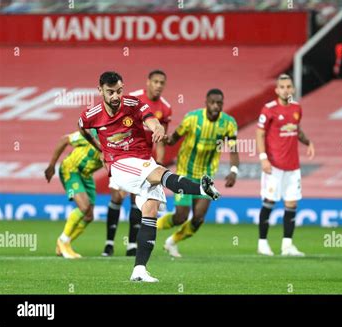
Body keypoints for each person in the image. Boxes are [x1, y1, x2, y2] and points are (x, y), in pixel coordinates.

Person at [78, 71, 220, 282]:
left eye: (119, 91)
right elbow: (82, 128)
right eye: (110, 92)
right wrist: (100, 149)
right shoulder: (91, 114)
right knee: (160, 174)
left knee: (150, 211)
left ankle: (139, 270)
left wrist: (157, 128)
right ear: (100, 91)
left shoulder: (133, 103)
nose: (116, 96)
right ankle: (201, 188)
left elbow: (152, 120)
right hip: (120, 164)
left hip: (143, 159)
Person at [157, 89, 239, 257]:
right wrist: (167, 139)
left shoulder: (229, 123)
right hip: (185, 172)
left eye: (219, 103)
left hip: (206, 176)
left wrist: (233, 171)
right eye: (213, 102)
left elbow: (233, 150)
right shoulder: (192, 118)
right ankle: (151, 226)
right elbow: (174, 139)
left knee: (199, 218)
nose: (216, 106)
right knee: (180, 216)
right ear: (206, 102)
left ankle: (172, 242)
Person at [103, 69, 172, 257]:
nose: (158, 85)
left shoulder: (165, 108)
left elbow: (162, 138)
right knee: (117, 197)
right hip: (121, 156)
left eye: (162, 82)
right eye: (155, 81)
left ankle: (132, 244)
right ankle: (109, 244)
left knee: (137, 201)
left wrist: (159, 162)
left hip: (144, 159)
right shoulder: (132, 99)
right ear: (148, 82)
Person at [255, 74, 315, 257]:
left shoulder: (297, 108)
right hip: (274, 166)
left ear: (293, 89)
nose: (286, 90)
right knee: (269, 202)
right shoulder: (269, 109)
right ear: (276, 90)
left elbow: (296, 129)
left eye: (289, 86)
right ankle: (262, 243)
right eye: (282, 87)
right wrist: (263, 158)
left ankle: (287, 245)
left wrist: (308, 142)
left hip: (293, 166)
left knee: (291, 204)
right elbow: (259, 134)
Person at [44, 129, 103, 259]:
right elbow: (64, 140)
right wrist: (52, 165)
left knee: (89, 216)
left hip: (86, 176)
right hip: (71, 170)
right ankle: (63, 240)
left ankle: (65, 243)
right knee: (84, 207)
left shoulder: (116, 145)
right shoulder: (91, 136)